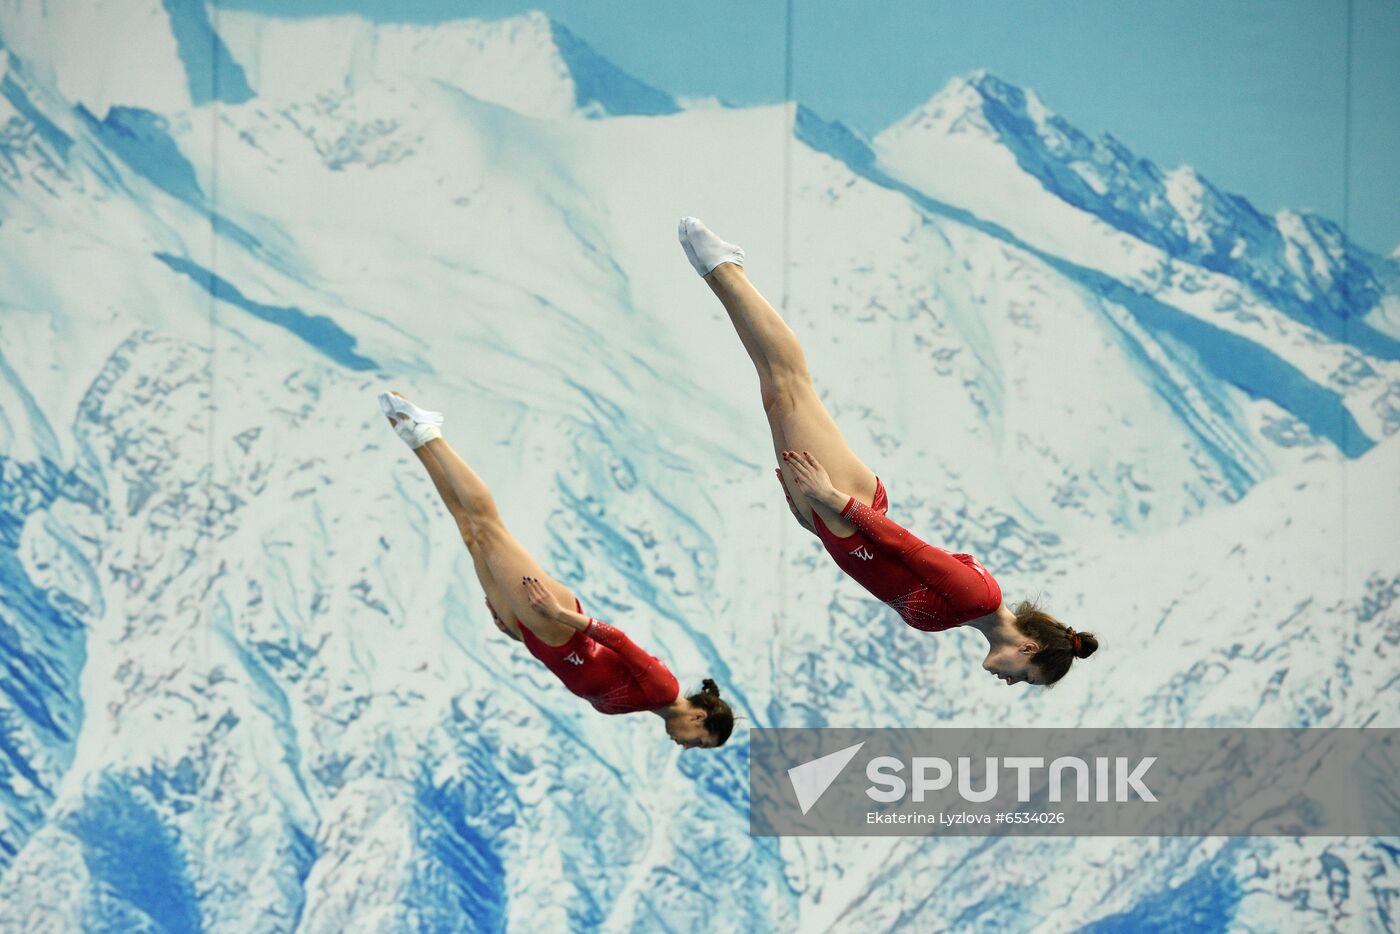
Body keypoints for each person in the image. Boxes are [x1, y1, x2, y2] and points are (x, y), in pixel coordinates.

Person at [677, 217, 1097, 686]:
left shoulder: (970, 613)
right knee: (792, 386)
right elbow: (906, 544)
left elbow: (887, 570)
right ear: (1028, 647)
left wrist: (817, 525)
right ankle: (725, 267)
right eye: (1026, 677)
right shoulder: (979, 597)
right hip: (845, 503)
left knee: (775, 393)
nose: (1013, 682)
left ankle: (721, 276)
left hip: (835, 522)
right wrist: (832, 499)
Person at [379, 390, 734, 745]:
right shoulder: (664, 688)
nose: (687, 745)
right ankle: (431, 434)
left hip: (535, 634)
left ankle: (415, 440)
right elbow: (619, 640)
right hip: (556, 622)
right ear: (699, 717)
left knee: (470, 534)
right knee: (489, 530)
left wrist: (518, 636)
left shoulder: (645, 705)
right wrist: (558, 614)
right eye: (699, 740)